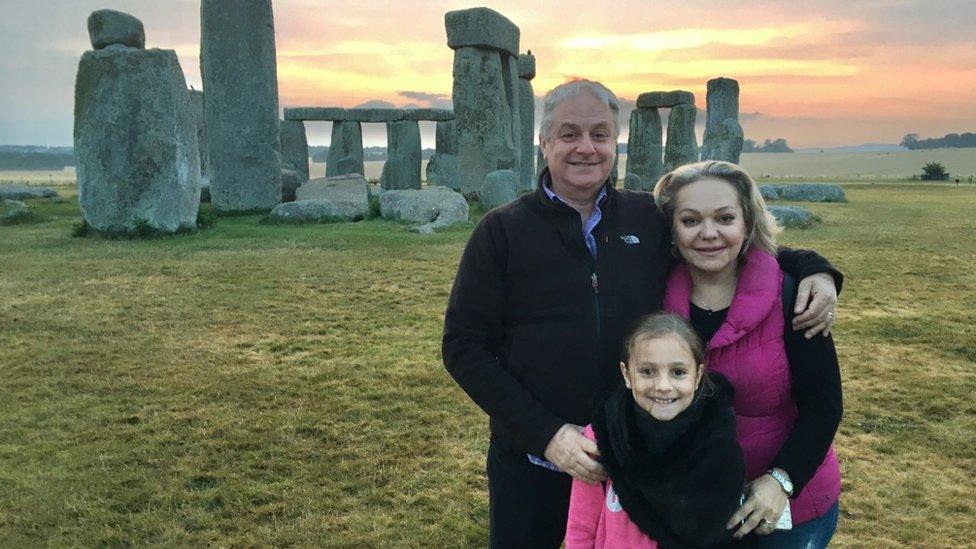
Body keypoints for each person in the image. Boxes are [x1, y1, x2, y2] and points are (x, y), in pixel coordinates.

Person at [442, 79, 841, 548]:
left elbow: (724, 245)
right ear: (544, 142)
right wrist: (546, 435)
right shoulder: (501, 232)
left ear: (616, 142)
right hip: (532, 462)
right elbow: (464, 347)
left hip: (635, 466)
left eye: (600, 134)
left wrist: (815, 269)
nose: (586, 148)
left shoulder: (646, 219)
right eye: (569, 134)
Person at [655, 160, 843, 547]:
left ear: (747, 224)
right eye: (690, 220)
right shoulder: (651, 296)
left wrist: (782, 480)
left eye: (725, 218)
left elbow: (823, 406)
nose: (709, 234)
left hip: (788, 502)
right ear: (672, 230)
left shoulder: (794, 297)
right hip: (693, 504)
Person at [565, 313, 745, 548]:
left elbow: (722, 531)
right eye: (647, 371)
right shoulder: (602, 438)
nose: (663, 386)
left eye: (678, 372)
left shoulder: (717, 442)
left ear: (698, 375)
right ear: (627, 375)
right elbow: (581, 527)